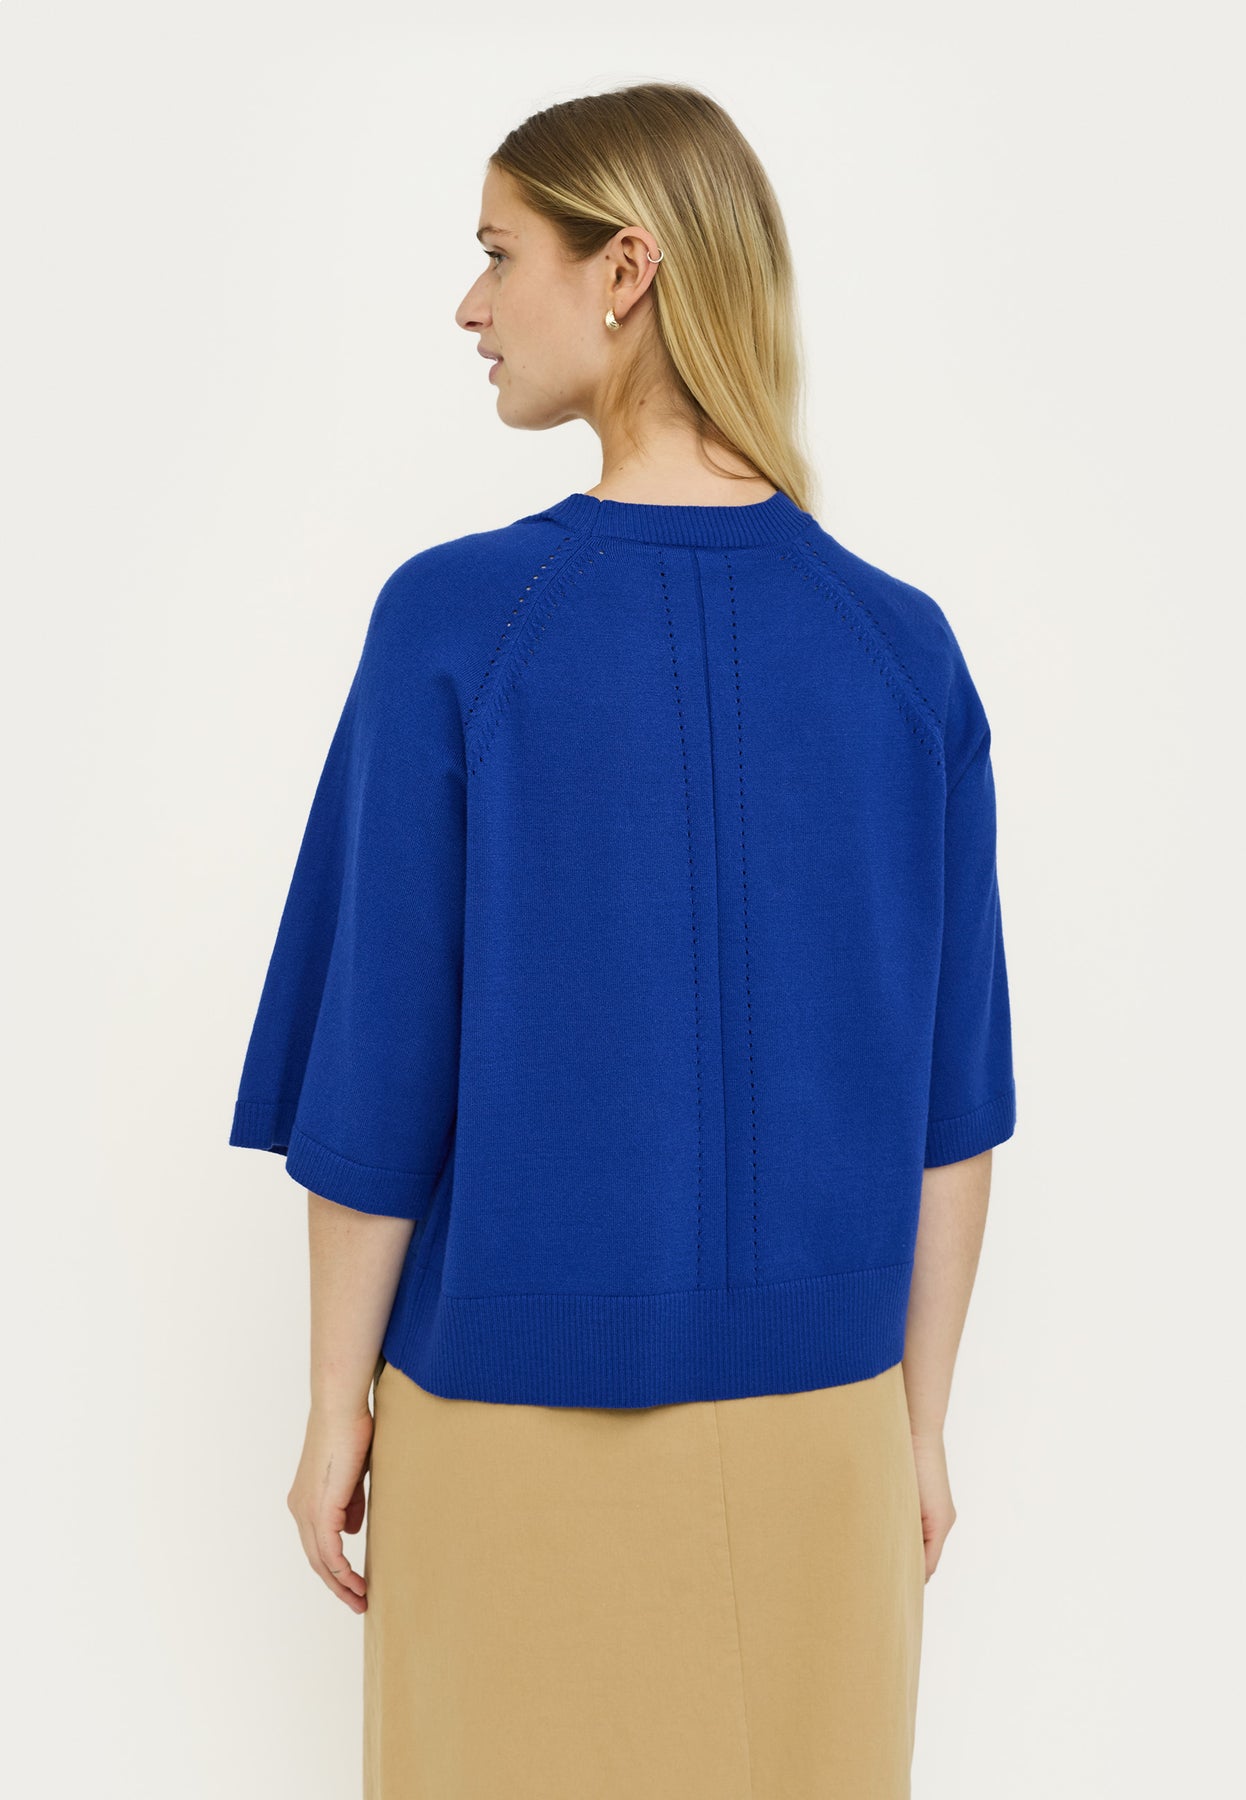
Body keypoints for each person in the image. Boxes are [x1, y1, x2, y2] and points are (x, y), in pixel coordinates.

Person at [228, 81, 1016, 1800]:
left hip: (510, 1436)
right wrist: (915, 1426)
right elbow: (951, 1109)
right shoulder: (903, 651)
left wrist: (333, 1405)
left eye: (498, 252)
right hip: (827, 1437)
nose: (471, 304)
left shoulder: (459, 624)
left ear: (625, 270)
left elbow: (375, 1075)